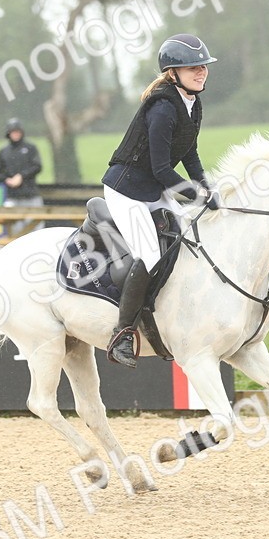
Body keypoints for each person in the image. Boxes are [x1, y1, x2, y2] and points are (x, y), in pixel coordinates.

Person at [101, 33, 219, 367]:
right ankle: (122, 334)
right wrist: (196, 195)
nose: (201, 72)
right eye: (192, 67)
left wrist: (205, 186)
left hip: (151, 187)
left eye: (203, 67)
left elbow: (190, 153)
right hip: (127, 188)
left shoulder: (192, 103)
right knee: (151, 254)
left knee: (186, 241)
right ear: (173, 73)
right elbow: (162, 168)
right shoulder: (164, 108)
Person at [0, 118, 43, 208]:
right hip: (11, 196)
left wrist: (21, 176)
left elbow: (37, 166)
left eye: (17, 131)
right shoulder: (4, 151)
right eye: (13, 132)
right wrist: (7, 180)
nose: (15, 134)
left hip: (30, 194)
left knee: (35, 220)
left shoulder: (30, 148)